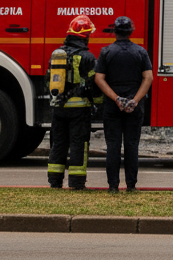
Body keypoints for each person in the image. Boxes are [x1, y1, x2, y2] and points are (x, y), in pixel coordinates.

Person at [94, 16, 153, 193]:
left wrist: (116, 98)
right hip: (134, 108)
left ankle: (113, 186)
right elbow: (148, 77)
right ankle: (131, 186)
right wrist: (135, 100)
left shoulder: (106, 52)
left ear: (115, 32)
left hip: (113, 107)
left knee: (113, 145)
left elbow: (99, 78)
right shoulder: (140, 52)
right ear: (131, 31)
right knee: (131, 145)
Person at [47, 14, 102, 189]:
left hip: (58, 107)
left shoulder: (57, 55)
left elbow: (47, 82)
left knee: (58, 143)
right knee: (79, 144)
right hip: (79, 109)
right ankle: (77, 182)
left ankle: (55, 181)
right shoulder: (87, 57)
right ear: (85, 35)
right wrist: (98, 102)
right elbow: (94, 83)